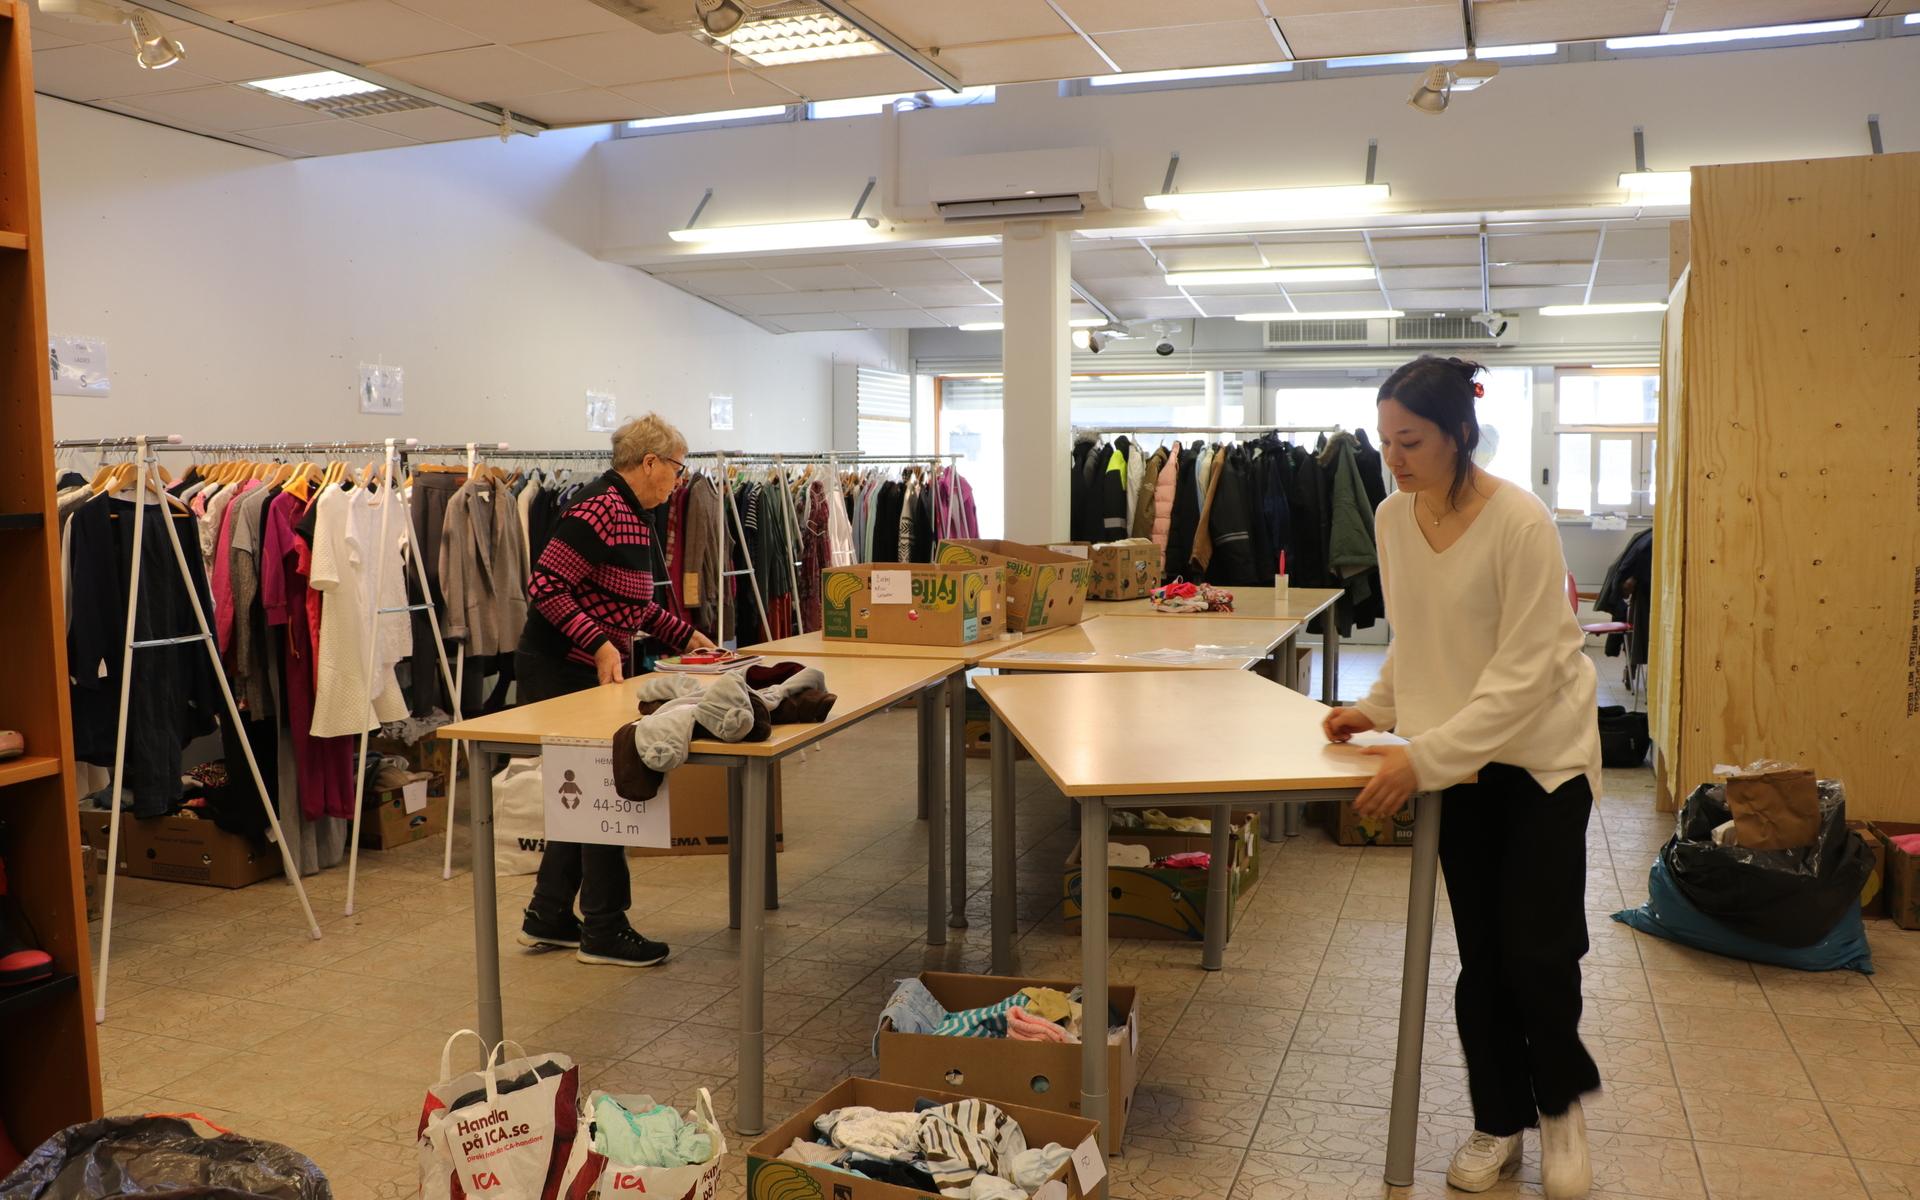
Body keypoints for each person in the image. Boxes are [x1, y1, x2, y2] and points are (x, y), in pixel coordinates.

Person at [1323, 356, 1603, 1199]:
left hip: (1542, 760)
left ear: (1459, 433)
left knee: (1539, 948)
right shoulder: (1392, 516)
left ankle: (1560, 1108)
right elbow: (1418, 636)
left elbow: (1525, 672)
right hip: (1459, 763)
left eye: (1410, 441)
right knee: (1483, 957)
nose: (1394, 458)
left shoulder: (1520, 521)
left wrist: (1423, 758)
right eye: (1385, 441)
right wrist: (1377, 706)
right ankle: (1498, 1120)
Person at [516, 414, 715, 967]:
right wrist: (600, 643)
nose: (679, 480)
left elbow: (633, 604)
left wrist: (687, 636)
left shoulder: (633, 513)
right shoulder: (599, 509)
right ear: (649, 462)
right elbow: (544, 585)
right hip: (559, 667)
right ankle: (605, 928)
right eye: (677, 468)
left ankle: (549, 914)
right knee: (607, 788)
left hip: (584, 666)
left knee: (584, 792)